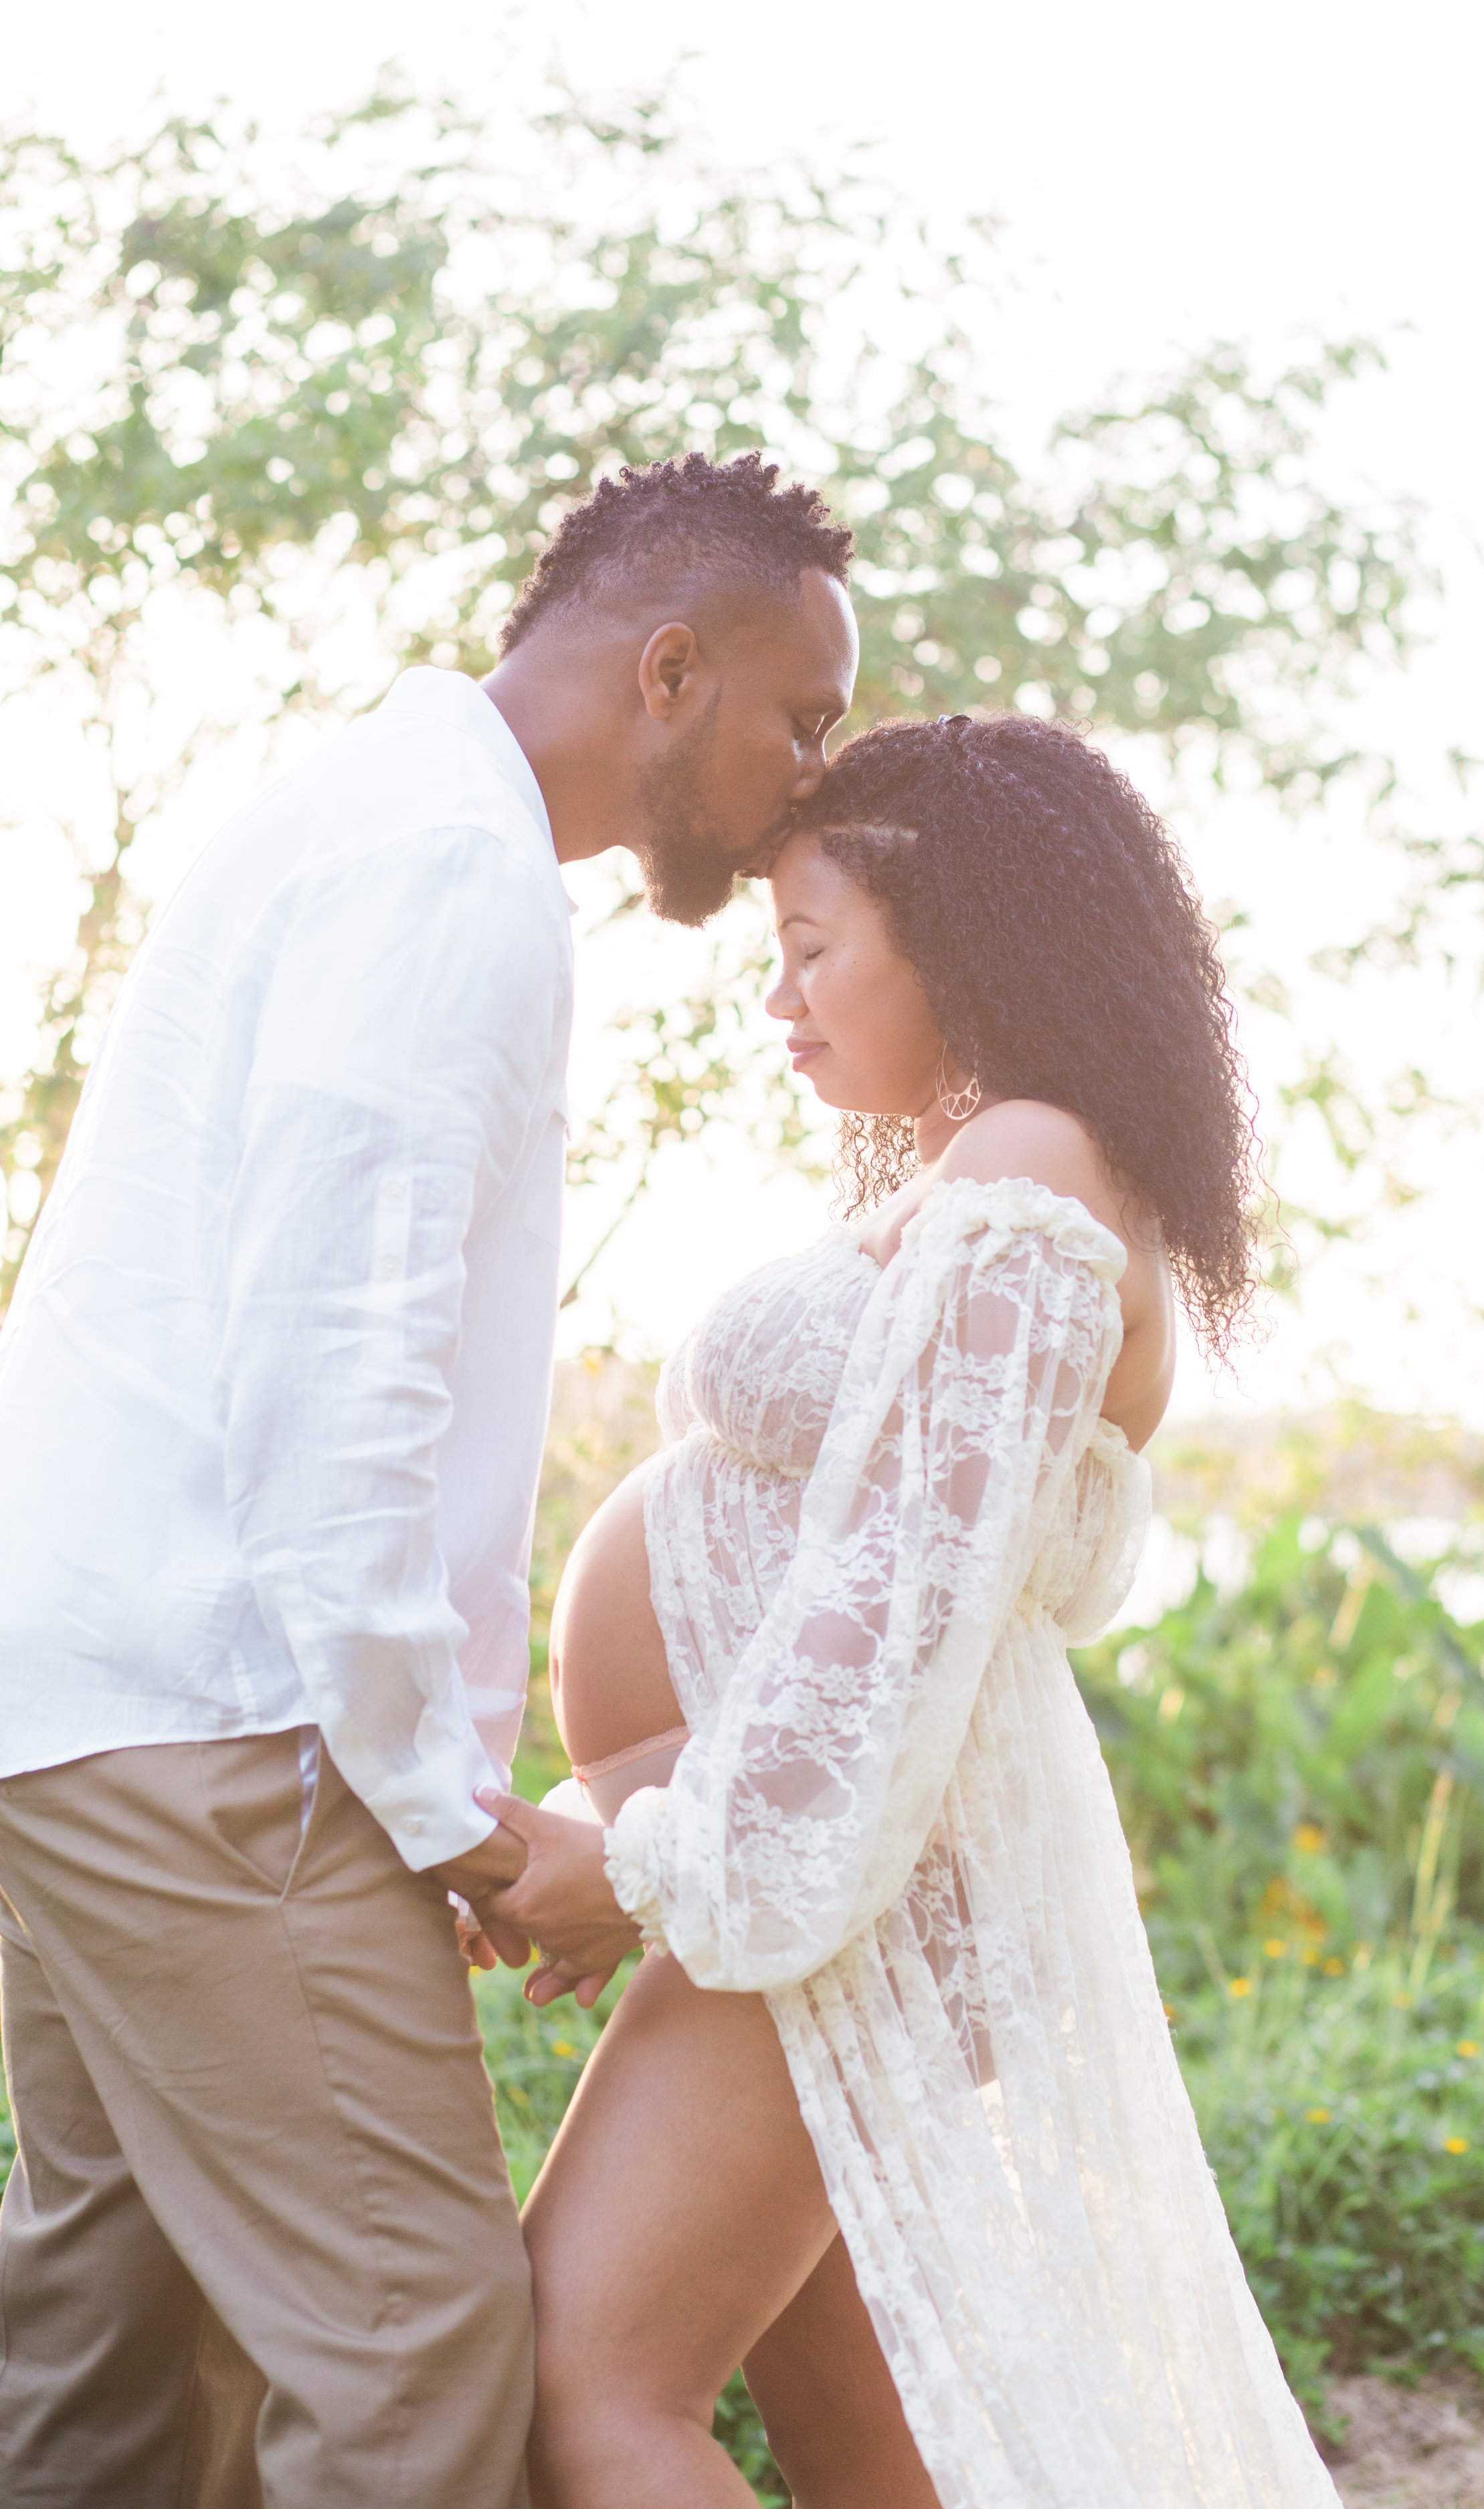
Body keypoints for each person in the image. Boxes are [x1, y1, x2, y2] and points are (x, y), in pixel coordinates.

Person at [0, 451, 858, 2508]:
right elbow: (334, 1368)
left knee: (120, 2352)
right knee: (416, 2363)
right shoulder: (446, 874)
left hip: (80, 1712)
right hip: (228, 1728)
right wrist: (443, 1813)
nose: (804, 782)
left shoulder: (350, 811)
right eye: (797, 718)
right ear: (668, 667)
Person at [478, 713, 1343, 2508]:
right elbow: (833, 1583)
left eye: (812, 949)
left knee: (585, 2384)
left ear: (962, 946)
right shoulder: (987, 1169)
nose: (775, 998)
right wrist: (611, 1802)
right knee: (857, 2428)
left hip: (846, 1893)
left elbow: (904, 1628)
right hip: (814, 1869)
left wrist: (641, 1860)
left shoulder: (1029, 1172)